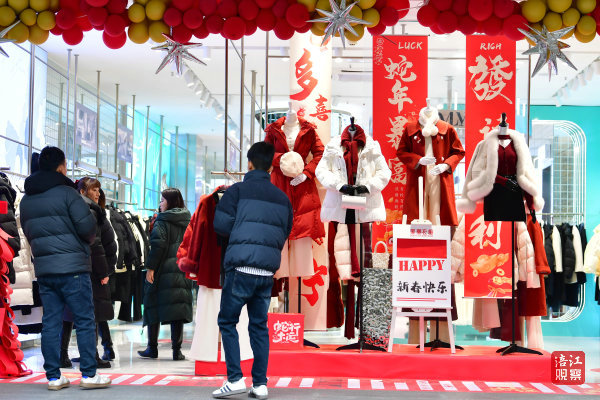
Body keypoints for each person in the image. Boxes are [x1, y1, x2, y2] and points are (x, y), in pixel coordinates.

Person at [19, 146, 111, 390]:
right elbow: (88, 229)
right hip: (74, 269)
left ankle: (53, 377)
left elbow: (28, 233)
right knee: (84, 319)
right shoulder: (68, 194)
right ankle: (89, 375)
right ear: (61, 167)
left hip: (45, 270)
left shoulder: (27, 199)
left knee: (51, 322)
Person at [212, 142, 293, 400]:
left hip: (240, 267)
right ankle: (260, 384)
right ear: (271, 167)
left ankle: (235, 378)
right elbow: (285, 231)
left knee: (228, 322)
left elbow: (221, 226)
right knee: (259, 327)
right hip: (266, 272)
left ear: (249, 163)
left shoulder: (236, 192)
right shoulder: (282, 198)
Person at [60, 178, 118, 369]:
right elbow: (96, 245)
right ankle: (91, 356)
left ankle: (63, 355)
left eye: (99, 189)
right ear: (82, 192)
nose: (98, 193)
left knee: (71, 313)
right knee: (90, 314)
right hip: (91, 269)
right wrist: (103, 271)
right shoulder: (91, 211)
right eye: (94, 189)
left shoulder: (87, 211)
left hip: (79, 268)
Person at [138, 188, 192, 360]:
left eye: (162, 200)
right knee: (178, 308)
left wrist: (150, 268)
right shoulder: (188, 220)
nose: (160, 204)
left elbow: (158, 246)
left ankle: (152, 348)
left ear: (170, 202)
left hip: (162, 270)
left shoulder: (162, 221)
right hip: (182, 269)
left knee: (153, 303)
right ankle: (177, 351)